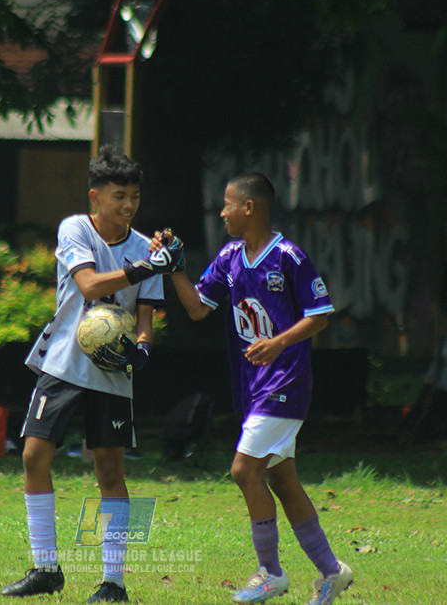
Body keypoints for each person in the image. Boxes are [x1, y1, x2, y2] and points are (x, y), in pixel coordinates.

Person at [0, 146, 181, 603]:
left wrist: (142, 349)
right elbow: (89, 285)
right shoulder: (75, 228)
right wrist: (144, 266)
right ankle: (45, 568)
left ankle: (114, 582)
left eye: (135, 196)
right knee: (34, 455)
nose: (128, 205)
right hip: (62, 362)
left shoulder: (146, 248)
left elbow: (145, 315)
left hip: (112, 373)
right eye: (119, 195)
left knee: (110, 471)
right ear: (95, 197)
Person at [163, 172, 353, 605]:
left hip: (284, 383)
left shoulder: (288, 256)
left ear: (249, 207)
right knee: (283, 481)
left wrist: (279, 342)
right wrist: (174, 269)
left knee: (243, 471)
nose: (222, 211)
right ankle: (332, 571)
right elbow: (196, 308)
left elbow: (319, 314)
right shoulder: (230, 257)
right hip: (251, 388)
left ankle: (270, 573)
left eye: (228, 204)